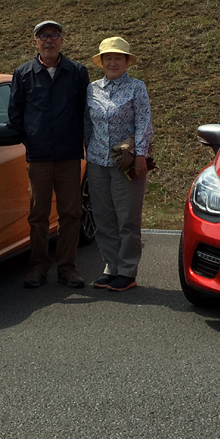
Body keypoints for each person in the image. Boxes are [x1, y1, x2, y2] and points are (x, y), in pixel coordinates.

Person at [8, 20, 90, 289]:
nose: (49, 40)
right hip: (39, 156)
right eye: (43, 36)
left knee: (71, 214)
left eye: (54, 35)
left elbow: (85, 111)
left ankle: (67, 267)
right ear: (35, 42)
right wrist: (31, 139)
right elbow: (15, 114)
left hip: (69, 155)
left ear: (62, 40)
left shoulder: (77, 72)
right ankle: (39, 266)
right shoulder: (23, 74)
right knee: (38, 215)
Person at [83, 36, 153, 292]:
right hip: (96, 161)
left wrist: (141, 155)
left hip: (127, 162)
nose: (113, 63)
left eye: (118, 58)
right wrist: (85, 150)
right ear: (101, 62)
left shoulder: (137, 88)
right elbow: (87, 123)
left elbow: (143, 122)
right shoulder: (91, 89)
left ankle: (127, 270)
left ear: (126, 62)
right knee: (103, 217)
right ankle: (111, 267)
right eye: (108, 58)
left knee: (127, 218)